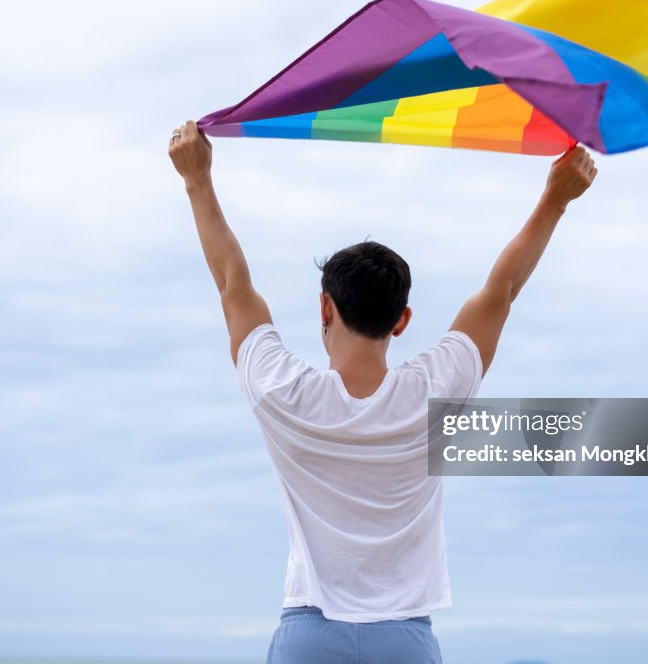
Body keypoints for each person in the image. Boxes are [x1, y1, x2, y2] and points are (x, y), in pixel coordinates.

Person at [169, 119, 596, 664]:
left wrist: (197, 180)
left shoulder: (281, 392)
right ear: (402, 320)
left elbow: (232, 283)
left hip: (310, 636)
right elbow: (502, 291)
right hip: (404, 639)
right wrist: (556, 200)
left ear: (326, 308)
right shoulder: (438, 390)